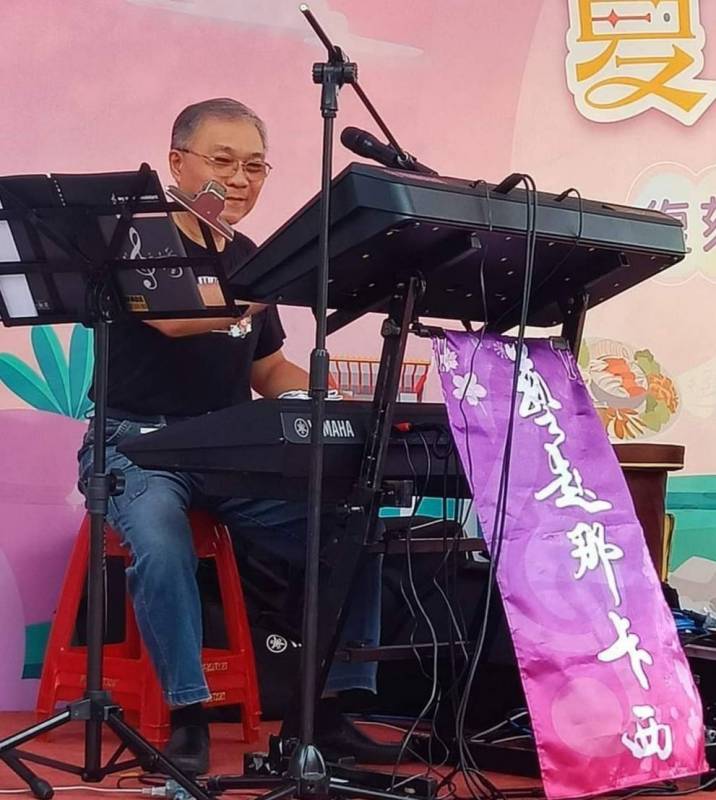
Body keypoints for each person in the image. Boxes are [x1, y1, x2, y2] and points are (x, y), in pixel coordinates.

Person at [77, 98, 396, 774]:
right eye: (223, 161)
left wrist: (334, 403)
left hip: (225, 448)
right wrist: (269, 283)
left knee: (354, 521)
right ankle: (188, 718)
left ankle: (330, 709)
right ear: (177, 162)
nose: (240, 179)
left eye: (255, 166)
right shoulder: (140, 235)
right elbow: (171, 319)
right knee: (161, 542)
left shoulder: (249, 256)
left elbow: (267, 369)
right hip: (135, 444)